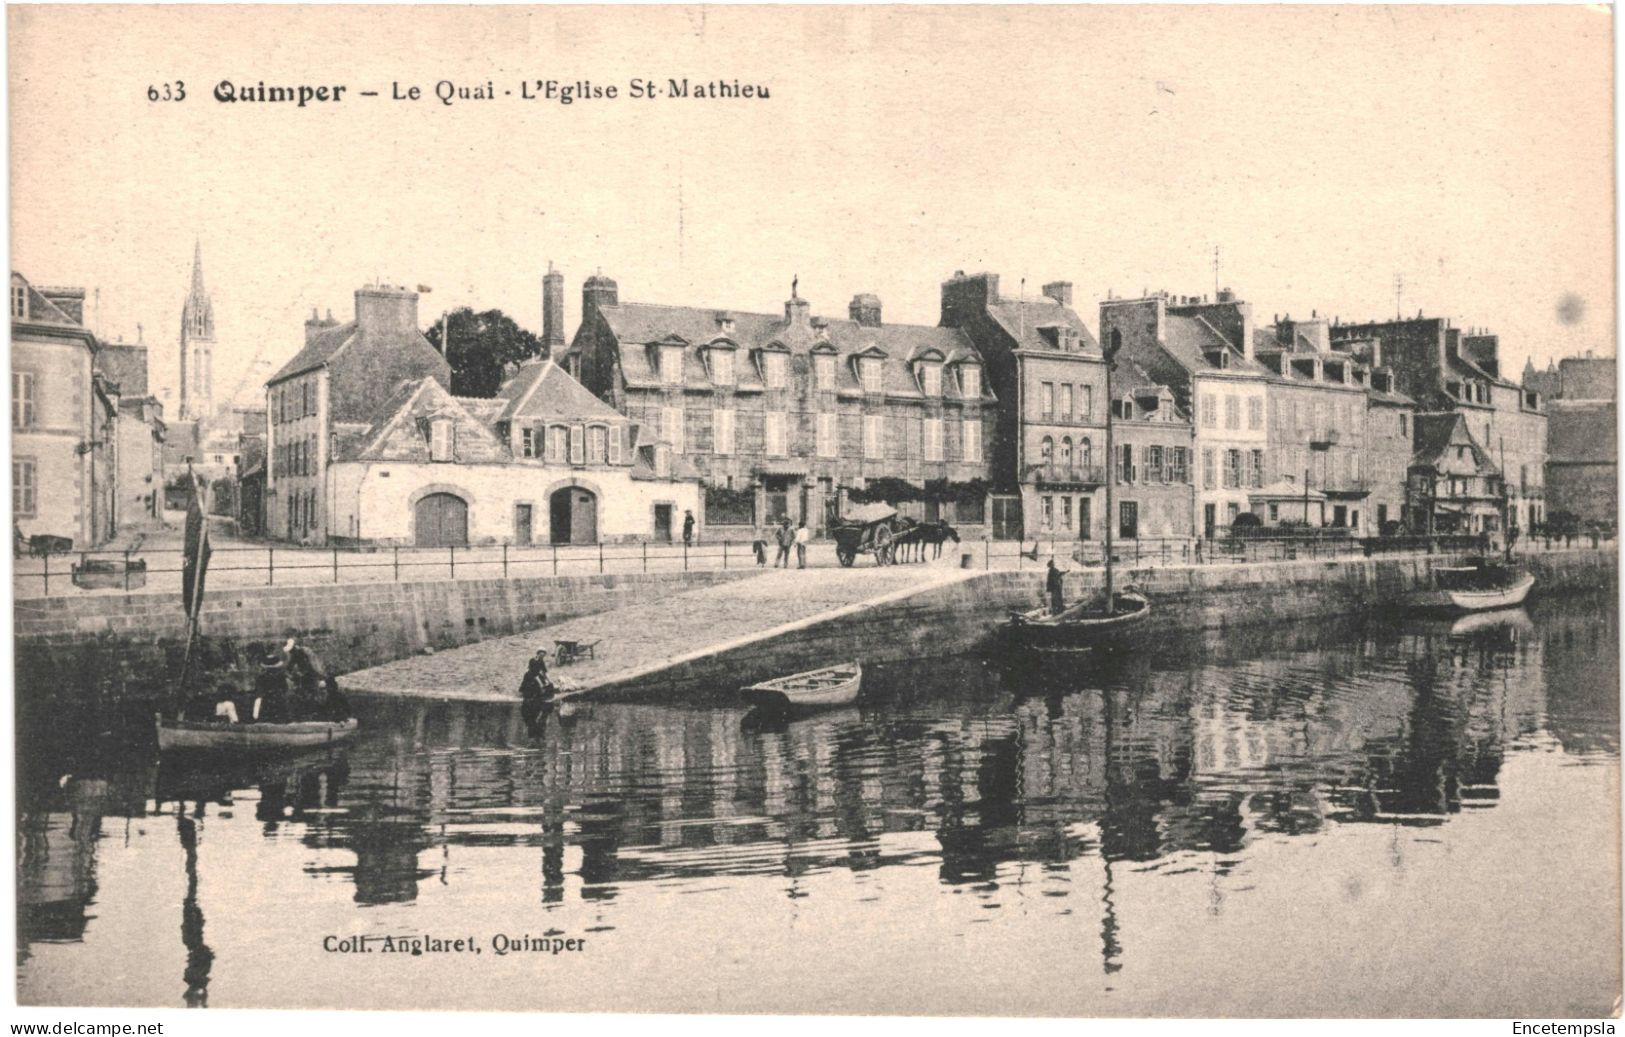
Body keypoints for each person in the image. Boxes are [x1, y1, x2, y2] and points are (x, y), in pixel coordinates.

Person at [518, 649, 556, 732]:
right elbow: (534, 674)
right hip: (531, 675)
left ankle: (540, 698)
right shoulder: (532, 660)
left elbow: (544, 672)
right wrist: (541, 685)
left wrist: (549, 681)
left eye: (543, 655)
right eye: (541, 654)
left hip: (537, 675)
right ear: (538, 654)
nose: (542, 656)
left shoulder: (541, 661)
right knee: (534, 686)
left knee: (547, 686)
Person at [252, 647, 291, 723]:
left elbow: (259, 695)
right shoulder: (281, 676)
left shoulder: (261, 678)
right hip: (280, 703)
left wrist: (256, 713)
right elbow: (285, 690)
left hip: (267, 703)